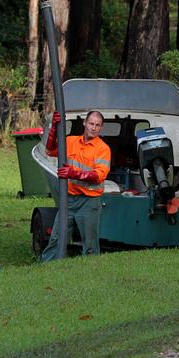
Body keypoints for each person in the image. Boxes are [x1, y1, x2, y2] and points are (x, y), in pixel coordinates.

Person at [40, 110, 111, 261]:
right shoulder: (71, 141)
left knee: (90, 244)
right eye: (91, 123)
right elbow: (50, 150)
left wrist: (73, 173)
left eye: (97, 125)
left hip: (89, 202)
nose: (93, 127)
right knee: (56, 238)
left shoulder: (103, 149)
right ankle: (46, 268)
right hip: (69, 200)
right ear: (84, 123)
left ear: (101, 127)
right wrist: (54, 127)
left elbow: (99, 175)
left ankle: (91, 273)